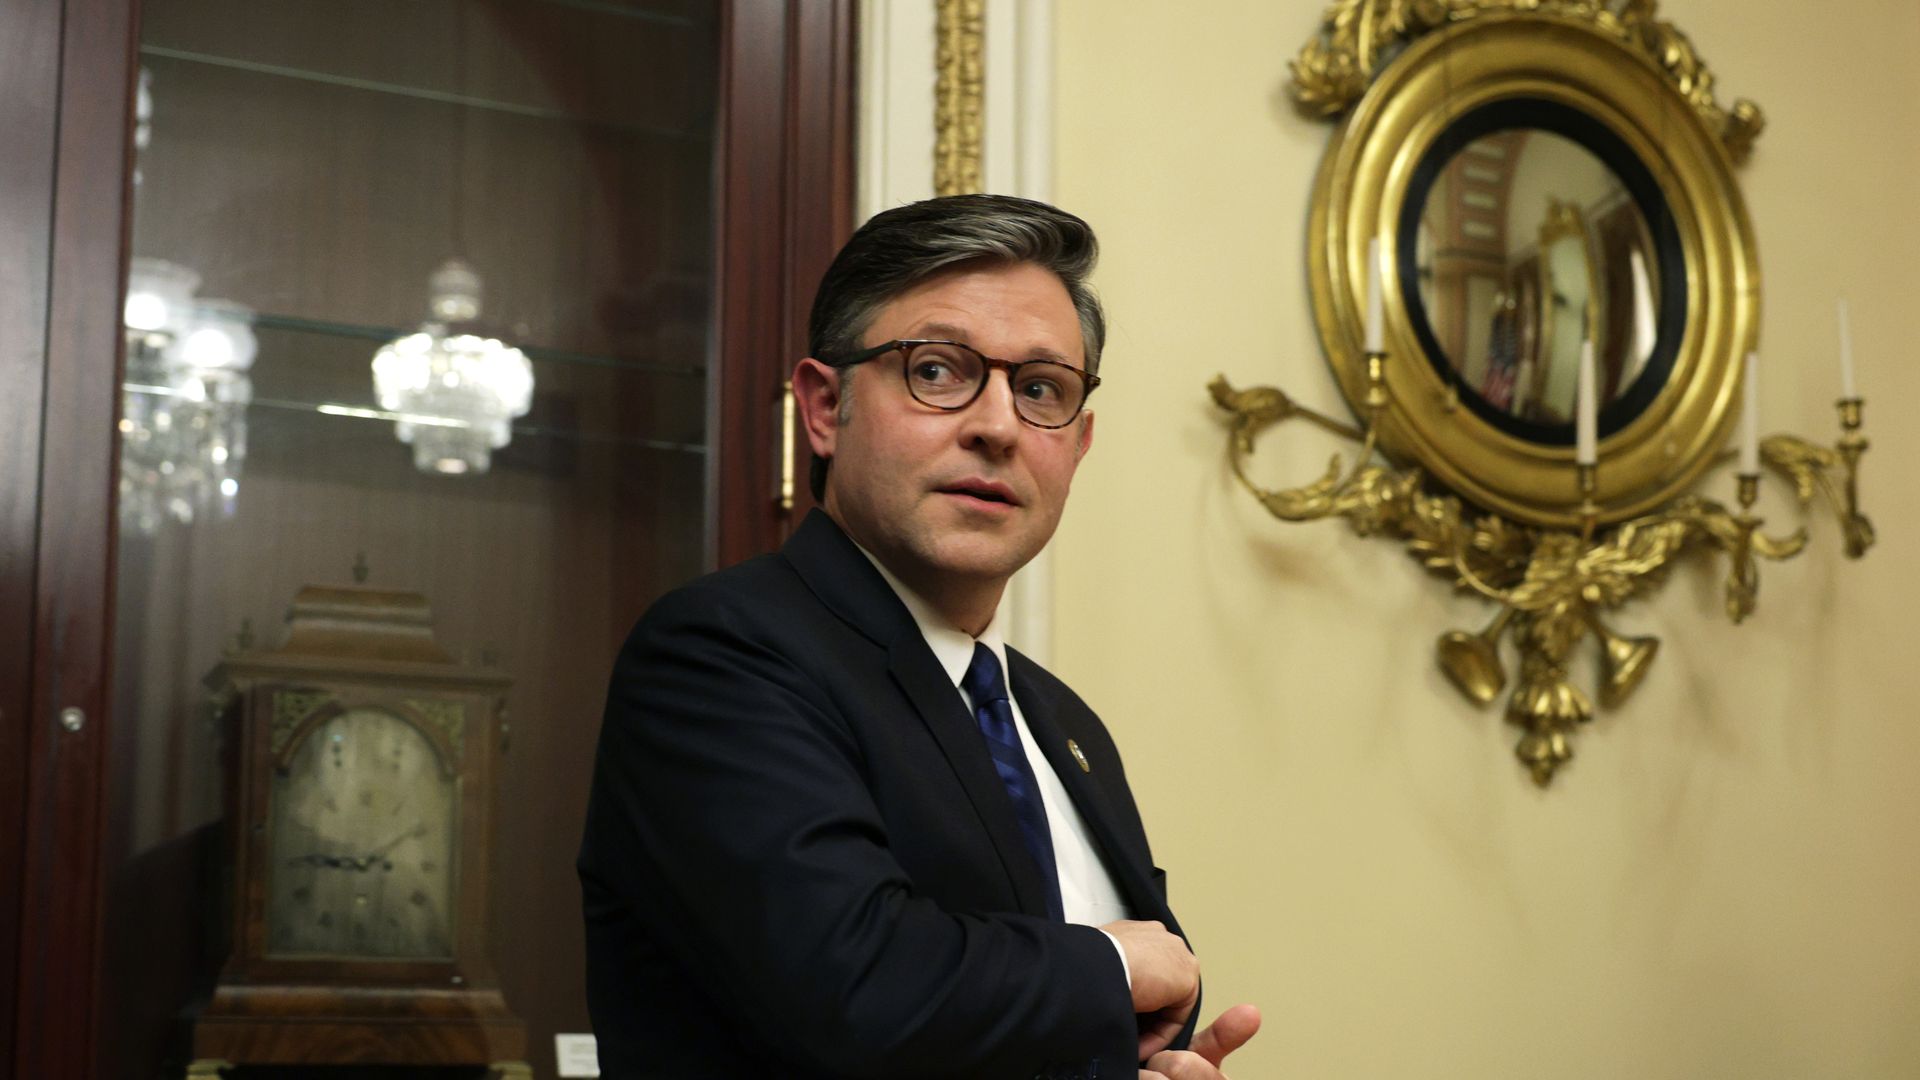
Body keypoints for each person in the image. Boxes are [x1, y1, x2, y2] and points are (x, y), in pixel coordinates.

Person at [578, 194, 1258, 1078]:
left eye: (1041, 389)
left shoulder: (1064, 725)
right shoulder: (719, 655)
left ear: (1079, 444)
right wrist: (1113, 966)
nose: (998, 426)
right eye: (937, 371)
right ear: (825, 407)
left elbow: (1109, 1016)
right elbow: (855, 989)